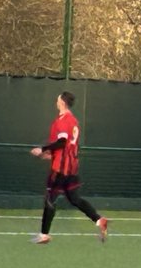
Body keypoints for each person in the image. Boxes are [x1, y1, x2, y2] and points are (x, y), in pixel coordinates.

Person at [28, 91, 109, 244]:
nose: (56, 101)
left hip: (61, 168)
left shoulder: (63, 121)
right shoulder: (73, 120)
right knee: (74, 198)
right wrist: (51, 155)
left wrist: (43, 149)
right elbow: (69, 145)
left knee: (50, 199)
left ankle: (44, 235)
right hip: (71, 167)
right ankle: (99, 220)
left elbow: (63, 142)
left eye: (58, 99)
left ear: (62, 103)